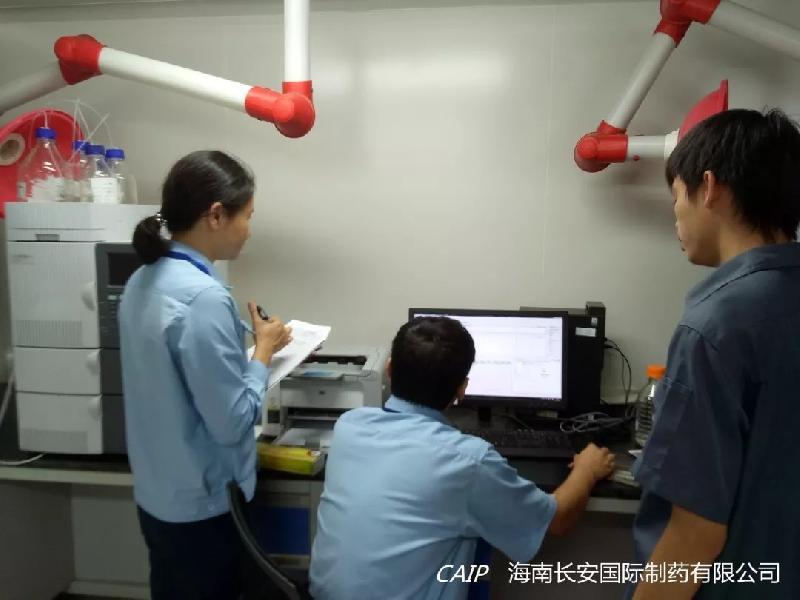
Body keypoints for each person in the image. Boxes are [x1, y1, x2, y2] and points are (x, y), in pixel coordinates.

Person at [309, 316, 615, 600]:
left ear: (389, 370)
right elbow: (557, 520)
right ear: (462, 389)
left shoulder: (349, 426)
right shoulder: (468, 460)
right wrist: (586, 470)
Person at [629, 109, 800, 600]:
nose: (676, 217)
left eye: (675, 197)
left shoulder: (717, 325)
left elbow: (693, 536)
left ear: (708, 188)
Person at [119, 150, 292, 600]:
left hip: (159, 496)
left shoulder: (142, 279)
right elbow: (232, 422)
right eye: (247, 216)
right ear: (216, 215)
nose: (249, 230)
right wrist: (263, 353)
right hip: (205, 506)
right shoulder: (203, 298)